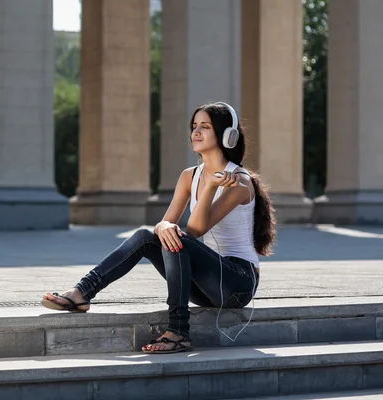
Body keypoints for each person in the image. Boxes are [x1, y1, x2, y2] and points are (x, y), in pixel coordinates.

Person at [41, 102, 276, 354]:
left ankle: (178, 331)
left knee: (178, 238)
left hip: (237, 284)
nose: (196, 132)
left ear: (227, 135)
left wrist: (209, 189)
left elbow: (194, 230)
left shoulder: (239, 182)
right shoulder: (189, 176)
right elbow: (164, 229)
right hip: (207, 286)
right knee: (146, 235)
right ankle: (82, 292)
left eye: (205, 127)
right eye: (194, 126)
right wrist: (163, 224)